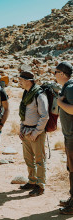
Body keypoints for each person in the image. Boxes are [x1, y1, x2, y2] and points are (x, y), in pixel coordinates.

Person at [18, 71, 49, 196]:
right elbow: (24, 113)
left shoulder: (39, 95)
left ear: (27, 81)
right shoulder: (27, 94)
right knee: (28, 158)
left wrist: (36, 133)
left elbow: (45, 116)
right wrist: (21, 128)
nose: (19, 82)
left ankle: (40, 185)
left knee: (40, 160)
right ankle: (32, 181)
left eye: (21, 79)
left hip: (36, 132)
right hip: (26, 130)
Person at [54, 62, 73, 215]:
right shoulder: (67, 87)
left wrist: (59, 102)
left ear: (62, 74)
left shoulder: (70, 87)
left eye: (56, 72)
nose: (54, 75)